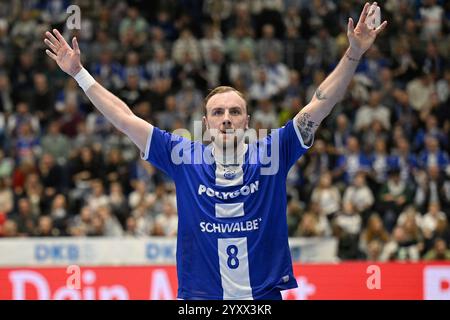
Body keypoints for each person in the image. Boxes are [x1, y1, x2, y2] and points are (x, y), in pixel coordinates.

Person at [44, 2, 387, 300]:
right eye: (218, 113)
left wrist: (354, 52)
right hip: (202, 299)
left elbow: (320, 104)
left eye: (235, 112)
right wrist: (79, 74)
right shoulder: (184, 156)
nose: (227, 119)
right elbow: (124, 117)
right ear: (206, 124)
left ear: (248, 121)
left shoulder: (273, 153)